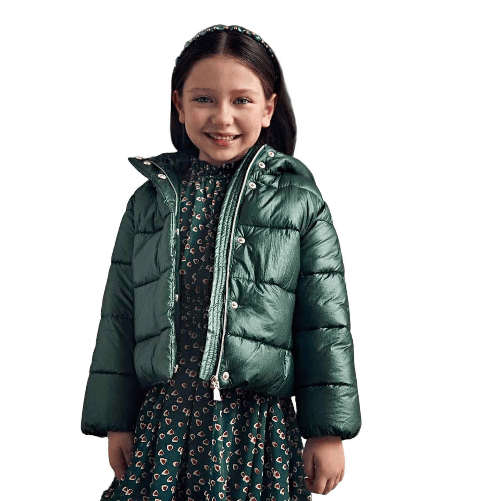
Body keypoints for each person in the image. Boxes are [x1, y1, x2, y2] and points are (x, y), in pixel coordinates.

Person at [81, 24, 362, 500]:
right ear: (179, 105)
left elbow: (324, 325)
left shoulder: (298, 202)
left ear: (268, 108)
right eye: (204, 99)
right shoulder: (149, 204)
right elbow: (119, 317)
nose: (222, 117)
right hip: (165, 422)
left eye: (242, 100)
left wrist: (327, 432)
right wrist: (116, 420)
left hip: (254, 428)